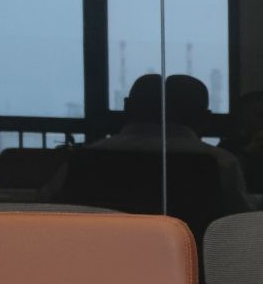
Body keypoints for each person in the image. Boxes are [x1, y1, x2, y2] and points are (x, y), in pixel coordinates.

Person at [43, 73, 252, 213]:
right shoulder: (220, 164)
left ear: (127, 107)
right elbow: (237, 222)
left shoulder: (84, 159)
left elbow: (48, 203)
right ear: (204, 118)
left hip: (98, 259)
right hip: (187, 263)